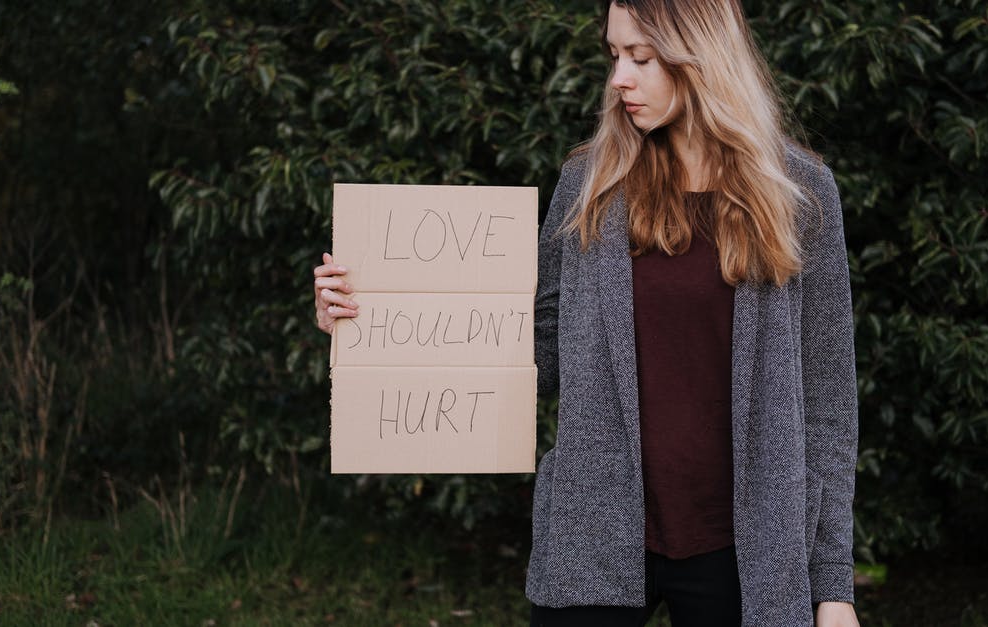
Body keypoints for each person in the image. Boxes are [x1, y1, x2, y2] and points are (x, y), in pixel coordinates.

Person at [314, 1, 860, 625]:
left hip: (749, 552)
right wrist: (367, 321)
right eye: (614, 55)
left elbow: (827, 406)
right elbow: (533, 349)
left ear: (702, 57)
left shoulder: (800, 193)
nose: (618, 78)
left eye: (641, 58)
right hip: (594, 537)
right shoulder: (591, 184)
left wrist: (833, 588)